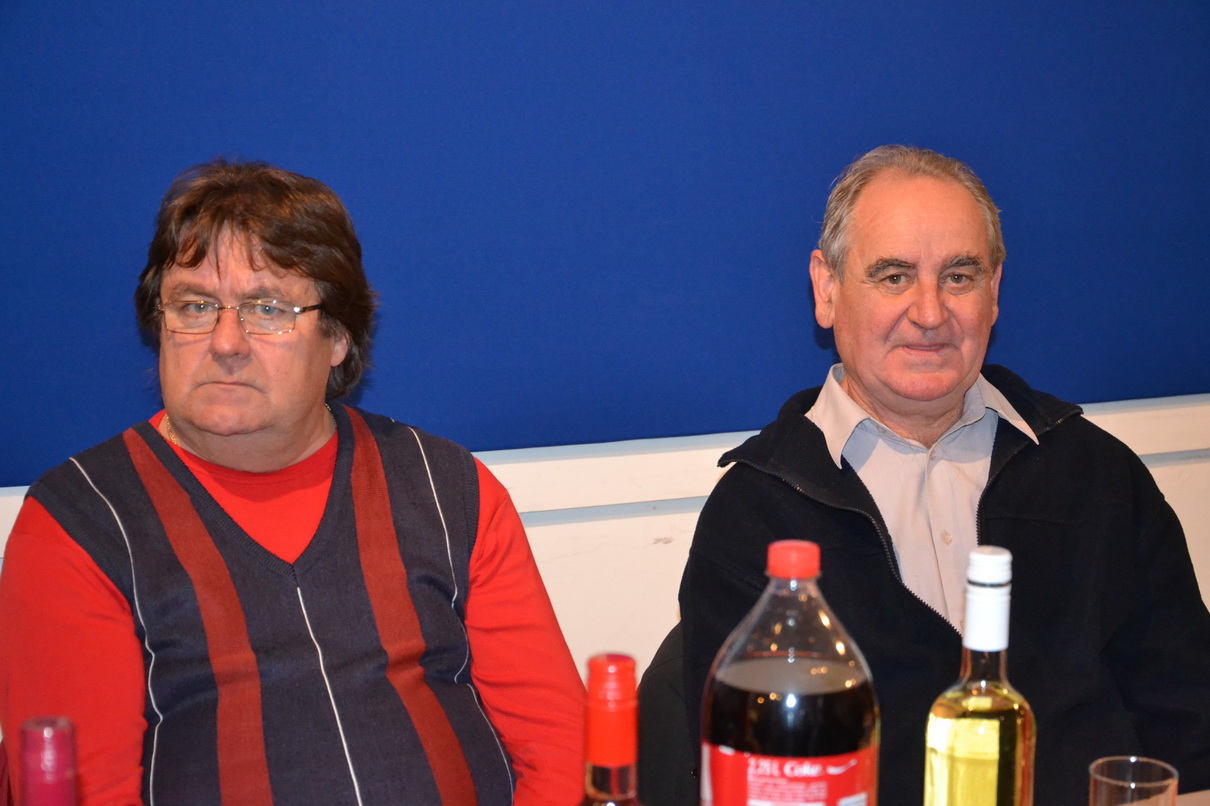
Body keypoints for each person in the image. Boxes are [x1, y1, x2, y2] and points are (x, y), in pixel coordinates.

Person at [0, 159, 585, 805]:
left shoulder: (447, 489)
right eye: (194, 305)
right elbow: (78, 791)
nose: (226, 342)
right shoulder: (82, 522)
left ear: (336, 337)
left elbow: (560, 748)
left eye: (267, 308)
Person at [677, 145, 1210, 805]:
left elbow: (1190, 728)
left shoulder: (1099, 478)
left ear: (994, 292)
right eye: (893, 276)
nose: (930, 314)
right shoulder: (757, 514)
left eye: (959, 276)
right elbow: (745, 777)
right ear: (827, 289)